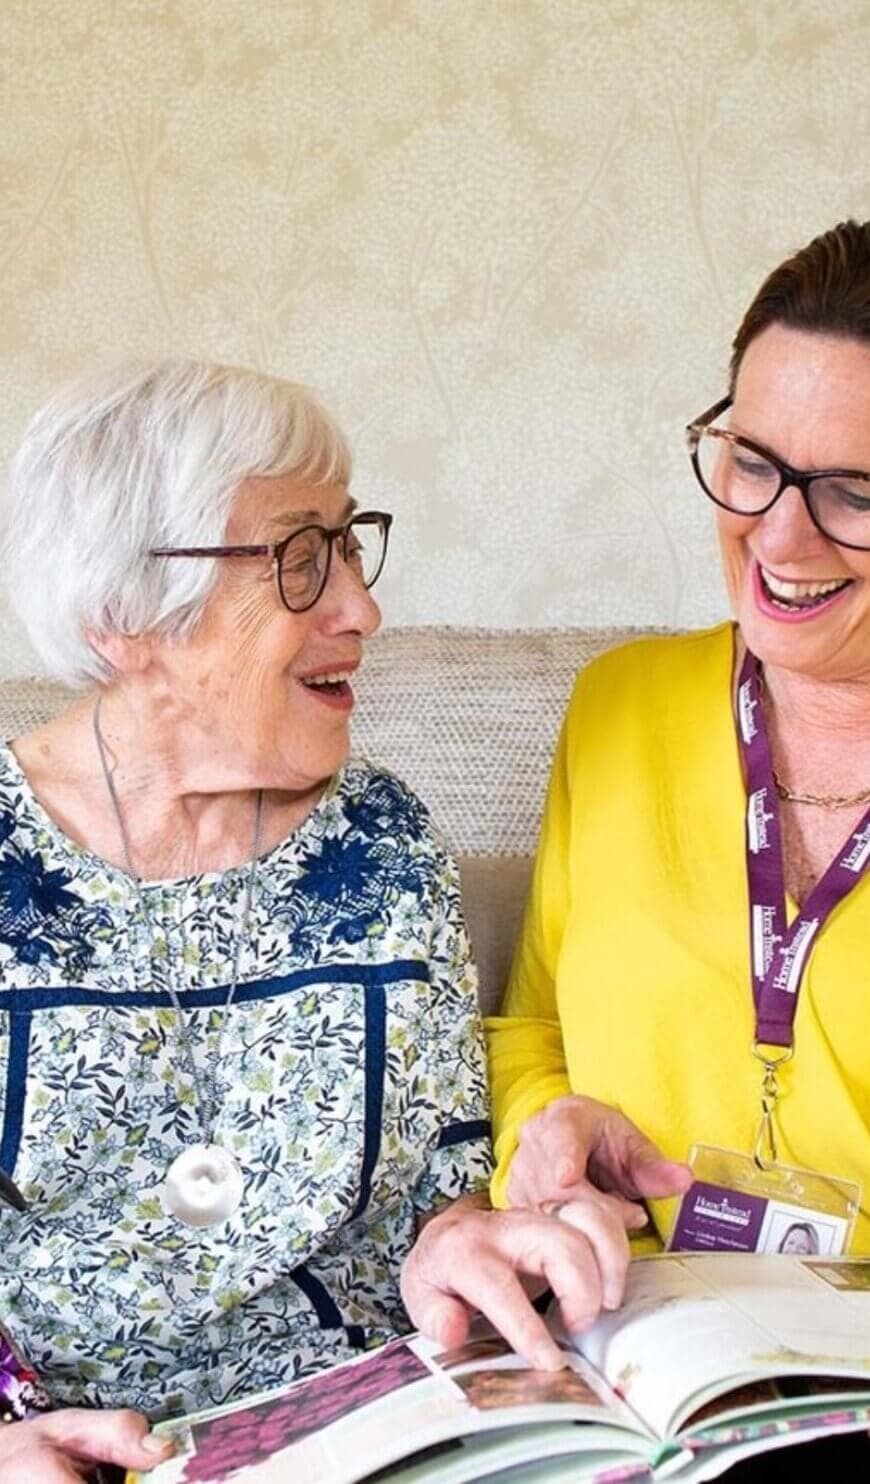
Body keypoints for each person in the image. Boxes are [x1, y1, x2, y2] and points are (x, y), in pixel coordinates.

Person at [0, 358, 623, 1482]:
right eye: (297, 558)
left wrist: (463, 1242)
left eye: (346, 541)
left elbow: (440, 1194)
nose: (360, 606)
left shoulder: (376, 838)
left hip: (381, 1429)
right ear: (124, 614)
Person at [487, 219, 870, 1483]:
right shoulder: (622, 705)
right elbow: (532, 1024)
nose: (778, 536)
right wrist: (545, 1133)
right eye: (752, 463)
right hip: (644, 1364)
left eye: (857, 492)